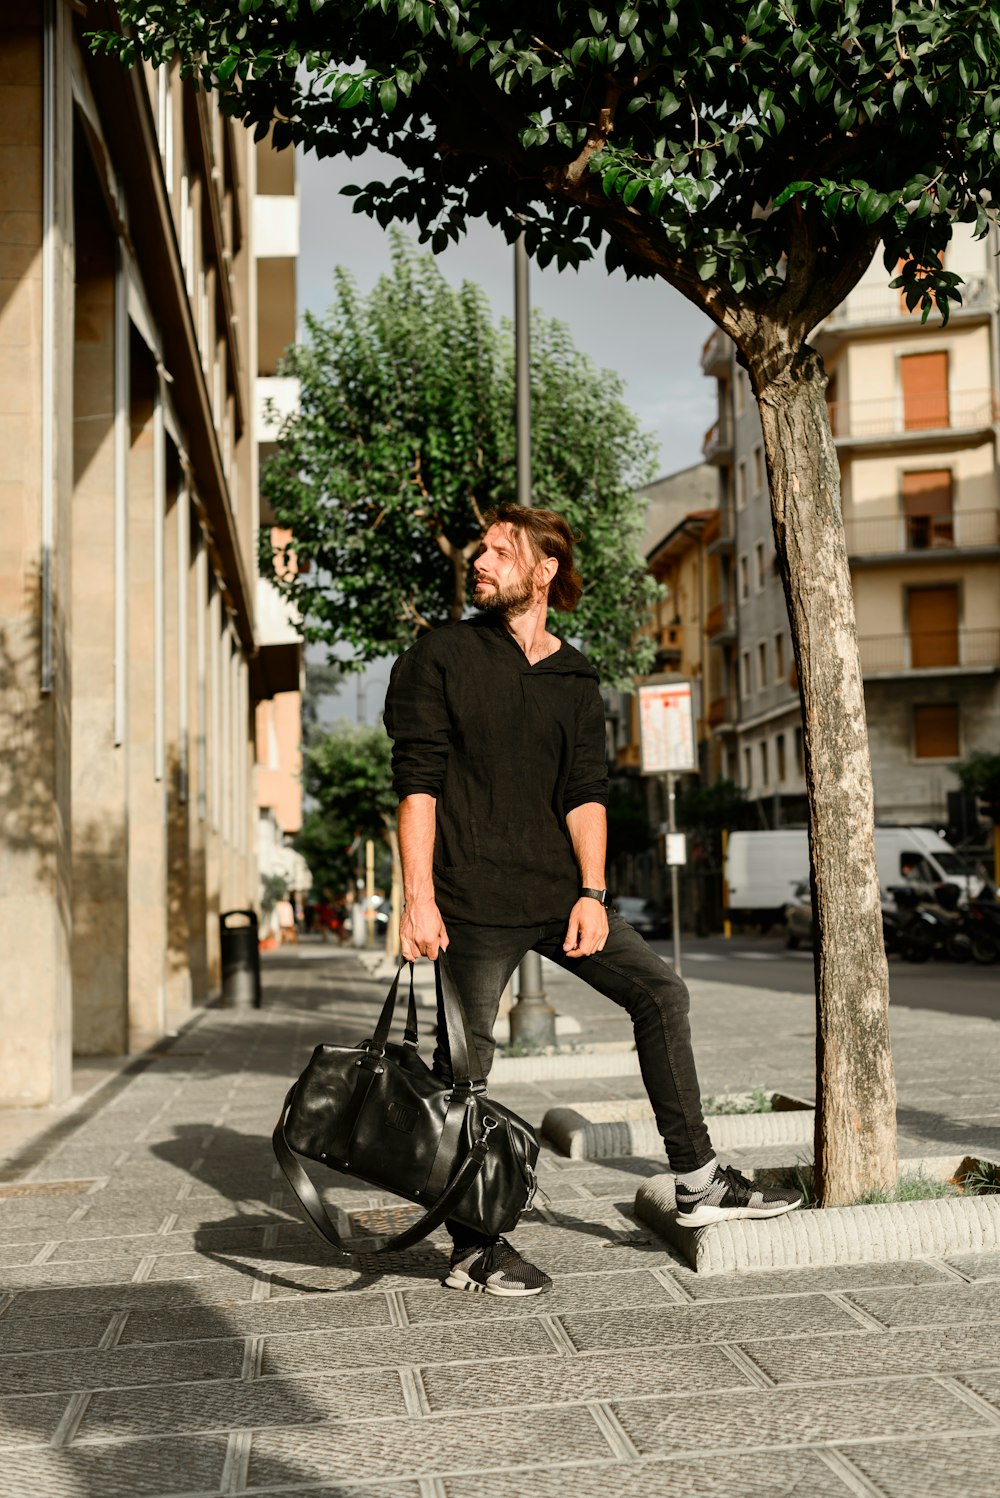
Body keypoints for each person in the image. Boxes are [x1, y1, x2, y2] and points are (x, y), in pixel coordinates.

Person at [383, 504, 802, 1299]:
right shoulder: (440, 655)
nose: (481, 560)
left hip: (556, 896)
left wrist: (593, 892)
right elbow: (419, 784)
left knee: (659, 991)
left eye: (500, 550)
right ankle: (475, 1247)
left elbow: (585, 794)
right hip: (469, 903)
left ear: (542, 572)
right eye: (480, 549)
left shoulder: (574, 675)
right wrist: (418, 898)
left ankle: (698, 1181)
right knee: (464, 1071)